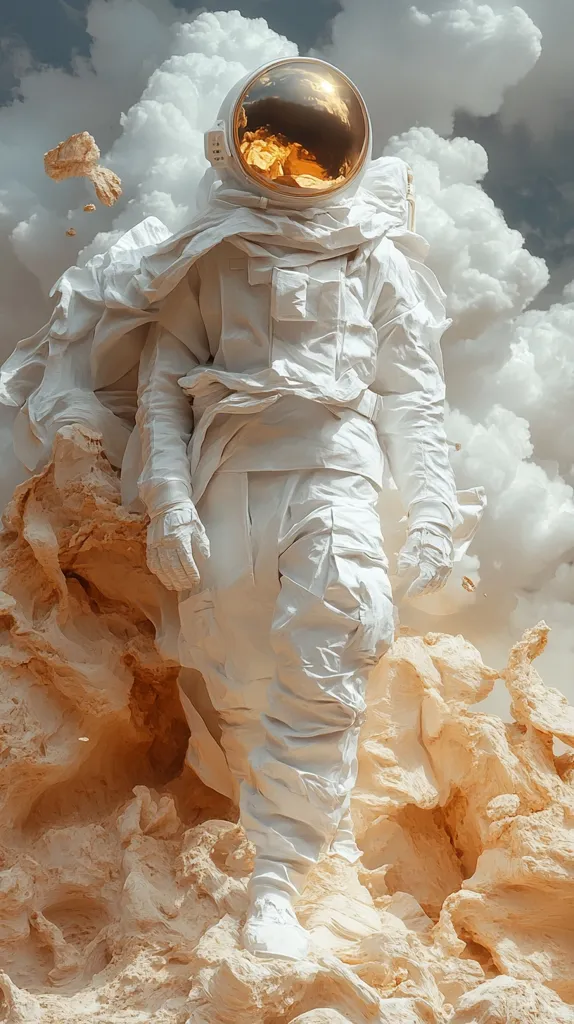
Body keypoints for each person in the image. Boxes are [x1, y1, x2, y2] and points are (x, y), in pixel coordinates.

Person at [0, 57, 484, 961]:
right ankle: (301, 844)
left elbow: (412, 396)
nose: (294, 161)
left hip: (335, 462)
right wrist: (171, 506)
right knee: (245, 673)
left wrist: (429, 513)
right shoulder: (209, 256)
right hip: (230, 473)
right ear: (237, 140)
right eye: (276, 142)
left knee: (339, 621)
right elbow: (164, 391)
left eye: (313, 148)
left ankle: (277, 885)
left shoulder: (374, 256)